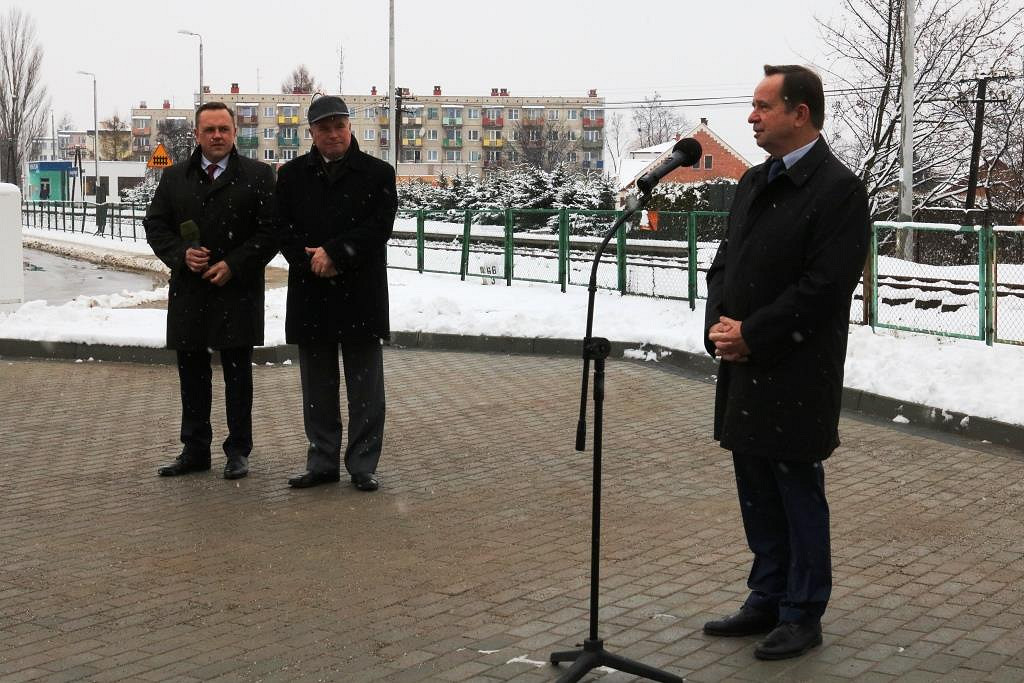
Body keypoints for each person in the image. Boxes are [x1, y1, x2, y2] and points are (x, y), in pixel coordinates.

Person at [701, 65, 869, 660]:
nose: (751, 116)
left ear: (800, 114)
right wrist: (719, 326)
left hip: (797, 370)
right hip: (745, 362)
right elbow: (725, 261)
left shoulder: (839, 190)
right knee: (756, 490)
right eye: (752, 105)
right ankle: (766, 596)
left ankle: (803, 611)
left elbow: (825, 286)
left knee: (797, 491)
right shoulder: (752, 182)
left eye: (762, 106)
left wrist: (755, 334)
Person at [144, 101, 277, 481]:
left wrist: (234, 263)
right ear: (197, 134)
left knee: (238, 375)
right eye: (209, 130)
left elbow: (271, 232)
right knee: (192, 374)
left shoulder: (258, 175)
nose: (216, 136)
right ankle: (195, 449)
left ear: (235, 133)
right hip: (191, 291)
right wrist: (181, 254)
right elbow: (156, 226)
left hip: (237, 291)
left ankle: (238, 451)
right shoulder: (174, 179)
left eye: (223, 129)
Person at [275, 95, 397, 491]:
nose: (333, 134)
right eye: (324, 128)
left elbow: (379, 227)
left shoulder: (378, 173)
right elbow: (282, 228)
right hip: (313, 292)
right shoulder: (292, 176)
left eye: (339, 125)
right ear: (311, 132)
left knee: (366, 388)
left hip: (360, 292)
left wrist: (336, 253)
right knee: (318, 387)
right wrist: (310, 259)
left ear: (350, 127)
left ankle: (363, 464)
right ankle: (322, 462)